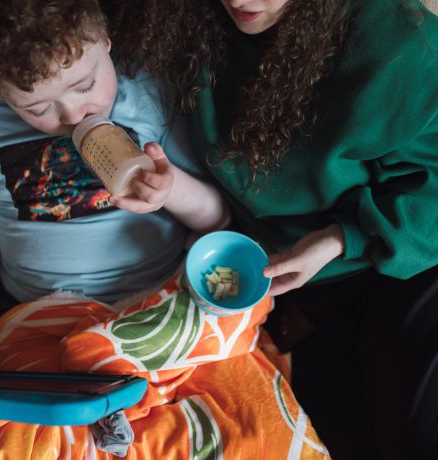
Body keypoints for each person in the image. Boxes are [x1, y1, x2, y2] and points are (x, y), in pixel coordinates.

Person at [105, 0, 438, 458]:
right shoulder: (184, 15)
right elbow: (36, 31)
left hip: (401, 260)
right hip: (288, 285)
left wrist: (343, 238)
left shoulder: (402, 50)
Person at [0, 0, 229, 379]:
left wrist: (169, 189)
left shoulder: (147, 93)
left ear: (107, 43)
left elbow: (217, 220)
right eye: (38, 110)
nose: (74, 115)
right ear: (0, 95)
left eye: (86, 85)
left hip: (157, 300)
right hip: (42, 316)